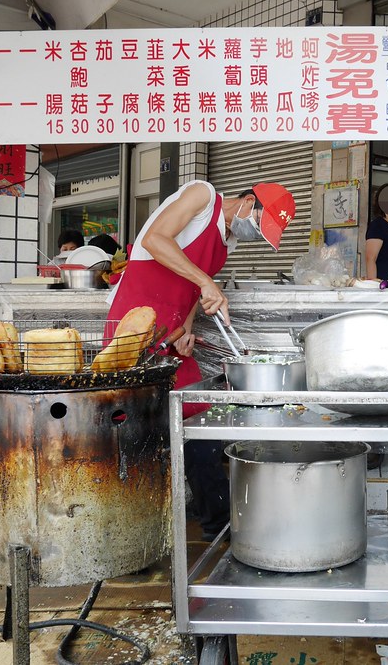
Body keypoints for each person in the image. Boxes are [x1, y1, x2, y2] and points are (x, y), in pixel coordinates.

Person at [106, 179, 295, 540]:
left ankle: (217, 524)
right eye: (259, 222)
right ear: (247, 202)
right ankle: (131, 535)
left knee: (200, 423)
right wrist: (207, 281)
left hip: (173, 339)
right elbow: (155, 240)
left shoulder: (228, 242)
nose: (255, 232)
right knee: (133, 430)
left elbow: (193, 291)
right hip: (133, 328)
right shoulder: (202, 196)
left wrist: (188, 329)